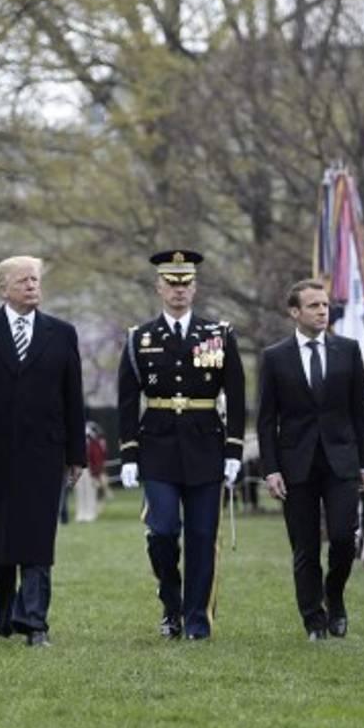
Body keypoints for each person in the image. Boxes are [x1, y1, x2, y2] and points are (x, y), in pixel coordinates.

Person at [0, 256, 86, 647]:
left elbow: (72, 398)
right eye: (24, 280)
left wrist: (76, 454)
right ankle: (5, 613)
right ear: (3, 288)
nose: (32, 286)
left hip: (44, 453)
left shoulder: (61, 333)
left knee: (38, 536)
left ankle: (35, 621)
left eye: (36, 280)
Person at [117, 250, 245, 641]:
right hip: (157, 447)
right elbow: (126, 399)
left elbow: (237, 396)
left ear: (195, 287)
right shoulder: (140, 337)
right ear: (159, 287)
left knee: (203, 536)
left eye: (185, 283)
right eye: (171, 283)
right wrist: (128, 454)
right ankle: (171, 604)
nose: (178, 291)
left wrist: (234, 451)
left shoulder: (218, 335)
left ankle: (196, 619)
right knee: (162, 531)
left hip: (206, 444)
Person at [257, 279, 364, 640]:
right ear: (295, 312)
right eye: (313, 306)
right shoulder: (275, 357)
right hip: (296, 464)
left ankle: (334, 596)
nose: (322, 311)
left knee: (343, 537)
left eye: (325, 305)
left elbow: (360, 413)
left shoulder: (348, 350)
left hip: (341, 460)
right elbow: (265, 419)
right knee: (305, 547)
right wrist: (271, 468)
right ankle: (314, 619)